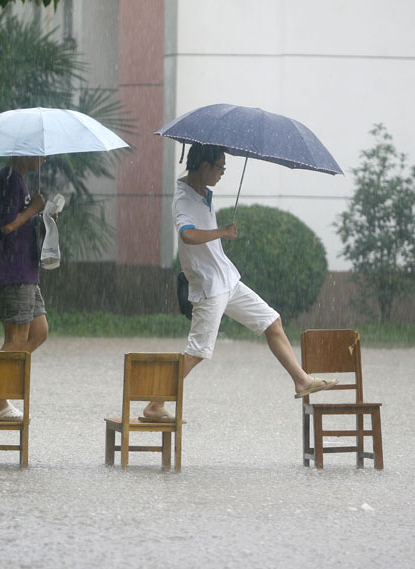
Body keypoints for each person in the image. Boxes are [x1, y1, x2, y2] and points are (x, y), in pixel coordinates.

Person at [143, 144, 337, 422]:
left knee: (272, 322)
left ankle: (301, 380)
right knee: (196, 352)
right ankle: (154, 405)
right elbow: (187, 235)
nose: (223, 172)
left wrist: (219, 233)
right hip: (210, 288)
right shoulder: (184, 199)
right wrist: (221, 231)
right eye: (220, 166)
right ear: (204, 166)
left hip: (227, 280)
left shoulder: (202, 194)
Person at [0, 155, 51, 421]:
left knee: (39, 331)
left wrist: (43, 216)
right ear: (25, 152)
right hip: (13, 271)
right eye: (40, 153)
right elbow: (7, 224)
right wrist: (33, 209)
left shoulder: (20, 181)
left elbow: (20, 221)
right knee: (17, 339)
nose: (44, 159)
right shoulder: (9, 179)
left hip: (27, 270)